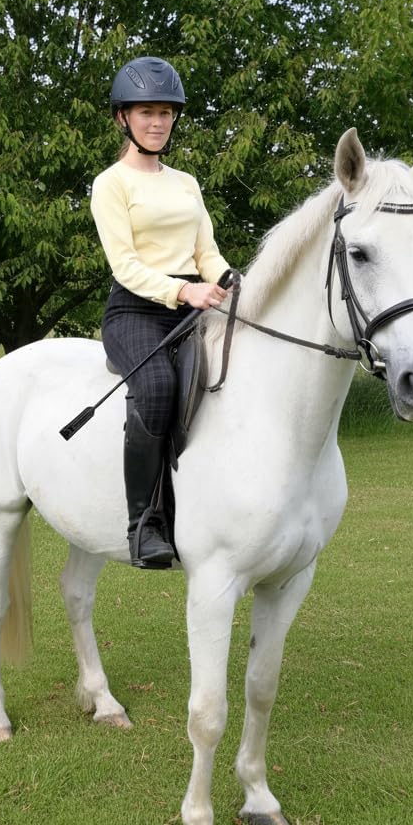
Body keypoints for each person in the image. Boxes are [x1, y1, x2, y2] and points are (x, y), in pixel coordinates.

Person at [90, 56, 232, 569]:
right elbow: (125, 267)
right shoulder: (112, 184)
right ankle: (144, 523)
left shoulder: (186, 183)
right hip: (135, 313)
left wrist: (229, 282)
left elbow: (206, 254)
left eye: (166, 112)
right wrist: (184, 292)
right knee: (156, 389)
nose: (157, 122)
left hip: (190, 310)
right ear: (122, 118)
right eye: (146, 111)